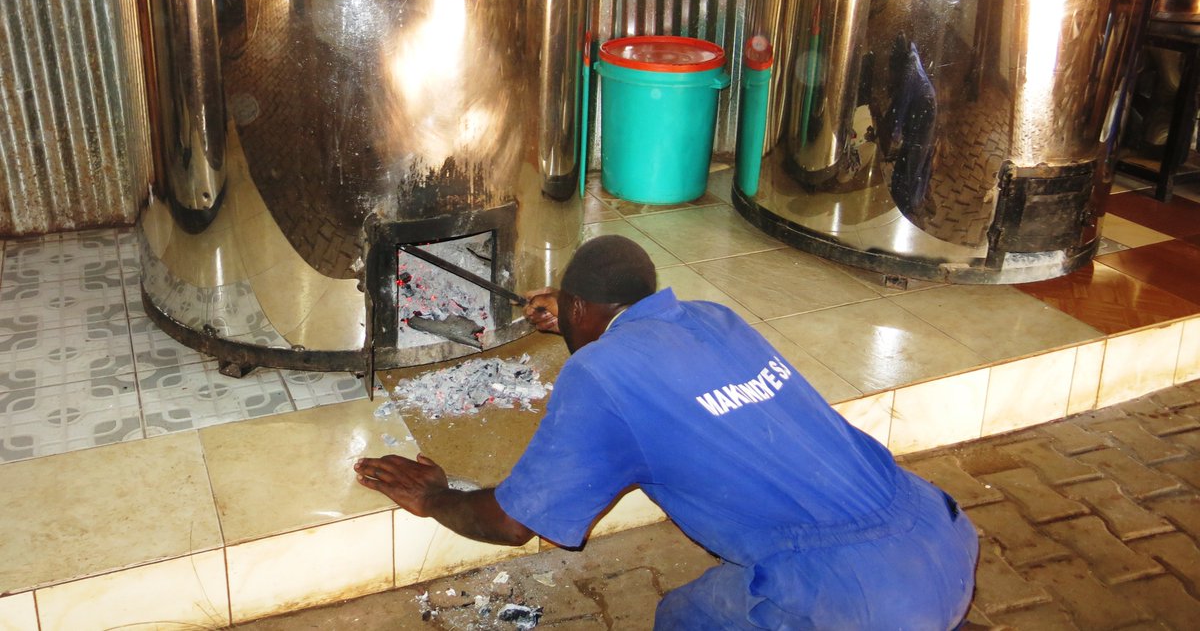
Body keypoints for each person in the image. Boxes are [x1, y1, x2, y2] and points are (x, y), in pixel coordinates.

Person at [354, 235, 979, 629]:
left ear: (577, 310)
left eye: (568, 310)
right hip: (941, 533)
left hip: (863, 600)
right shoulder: (713, 317)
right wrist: (575, 317)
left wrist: (434, 497)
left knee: (683, 619)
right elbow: (634, 334)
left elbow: (515, 524)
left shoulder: (600, 373)